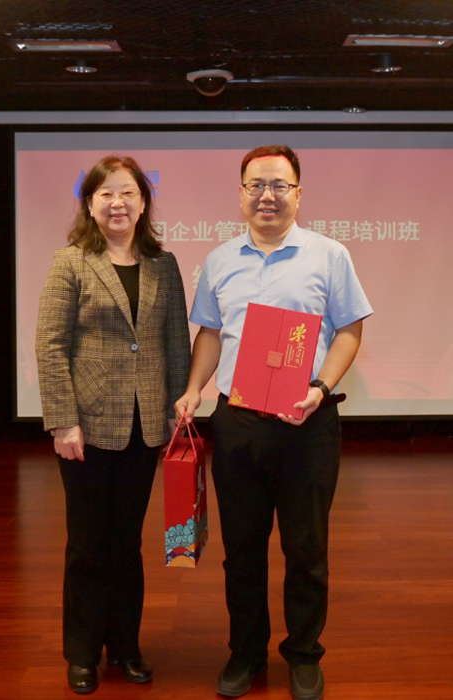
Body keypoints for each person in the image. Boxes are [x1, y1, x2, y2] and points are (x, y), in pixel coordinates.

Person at [175, 145, 373, 700]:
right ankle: (246, 653)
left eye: (279, 185)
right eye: (256, 185)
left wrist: (320, 387)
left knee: (306, 550)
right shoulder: (219, 260)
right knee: (242, 550)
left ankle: (304, 654)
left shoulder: (329, 255)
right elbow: (211, 333)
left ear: (298, 194)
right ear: (241, 194)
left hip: (308, 424)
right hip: (237, 423)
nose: (267, 195)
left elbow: (350, 330)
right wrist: (192, 389)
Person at [36, 155, 191, 694]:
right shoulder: (71, 262)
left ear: (143, 203)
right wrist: (63, 422)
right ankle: (82, 652)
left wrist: (177, 408)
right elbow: (50, 346)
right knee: (87, 544)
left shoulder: (164, 265)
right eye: (106, 194)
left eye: (127, 193)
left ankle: (125, 646)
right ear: (90, 203)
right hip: (87, 425)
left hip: (145, 427)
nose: (117, 203)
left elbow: (175, 342)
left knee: (127, 543)